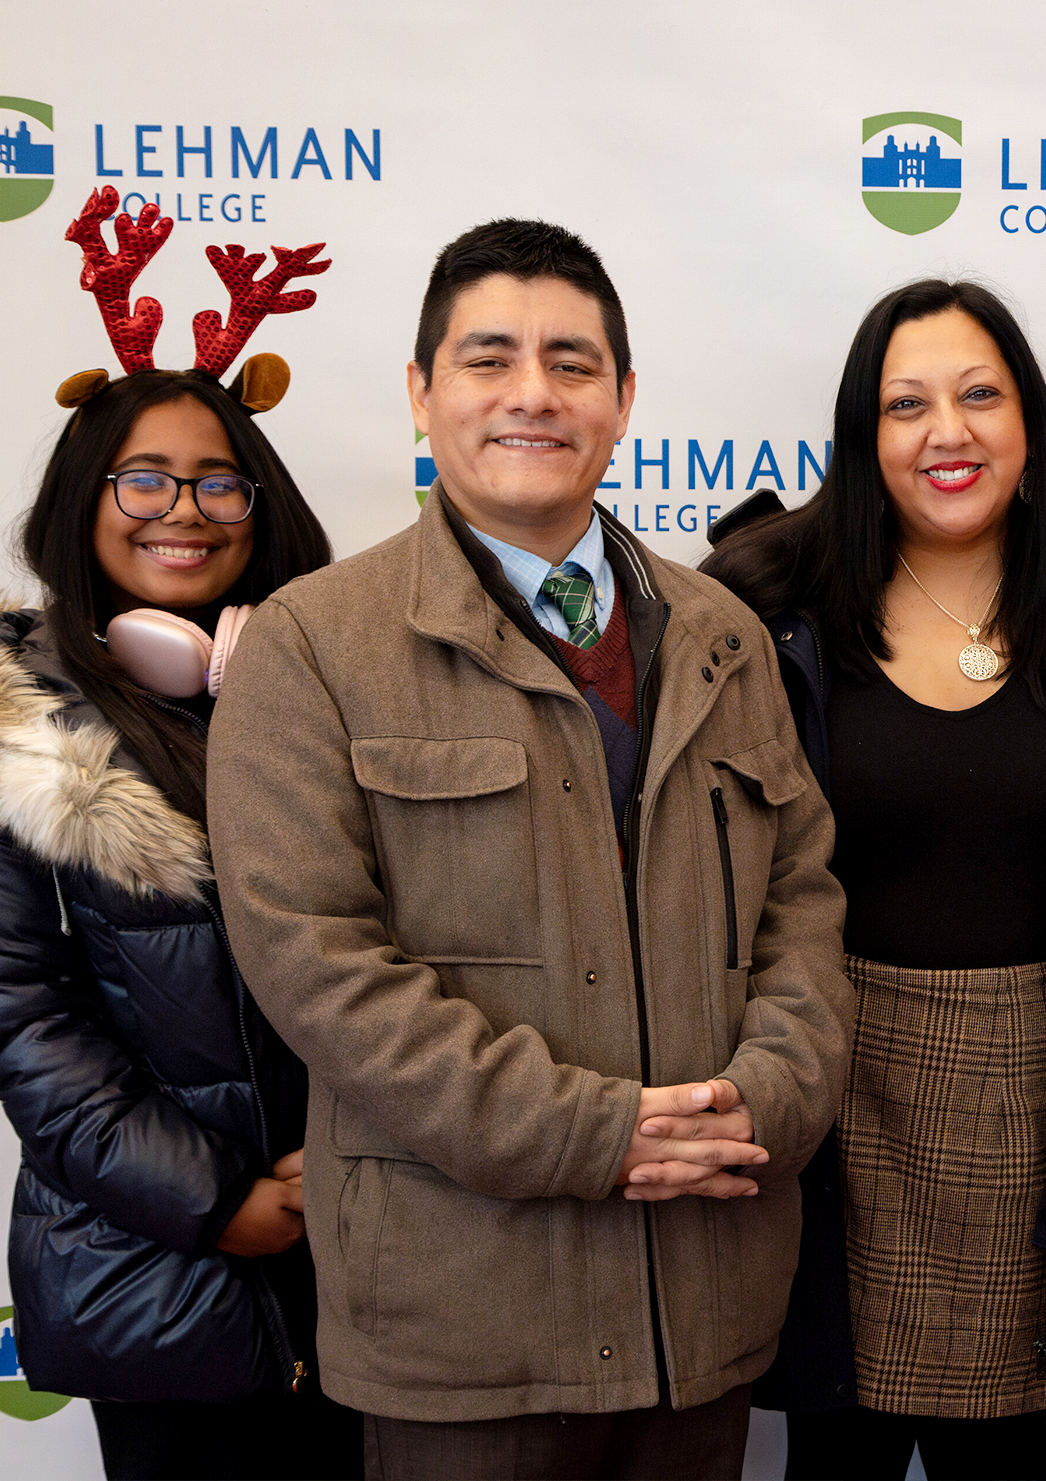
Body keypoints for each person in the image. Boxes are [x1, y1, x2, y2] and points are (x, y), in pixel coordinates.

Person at [205, 218, 854, 1481]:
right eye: (488, 357)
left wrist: (759, 1103)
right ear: (420, 391)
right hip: (464, 1321)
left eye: (571, 361)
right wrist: (588, 1133)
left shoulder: (721, 629)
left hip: (700, 1306)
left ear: (621, 400)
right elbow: (318, 962)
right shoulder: (313, 643)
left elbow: (803, 902)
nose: (531, 394)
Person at [703, 278, 1046, 1481]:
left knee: (1000, 1455)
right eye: (906, 403)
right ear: (863, 432)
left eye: (977, 394)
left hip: (1025, 1079)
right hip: (824, 1067)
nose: (945, 432)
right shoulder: (769, 595)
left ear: (1027, 416)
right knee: (833, 1450)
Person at [0, 187, 360, 1478]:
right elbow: (23, 1022)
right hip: (155, 1275)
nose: (184, 510)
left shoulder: (325, 690)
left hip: (370, 1258)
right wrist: (221, 1204)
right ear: (84, 499)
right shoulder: (18, 724)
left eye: (221, 482)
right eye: (142, 478)